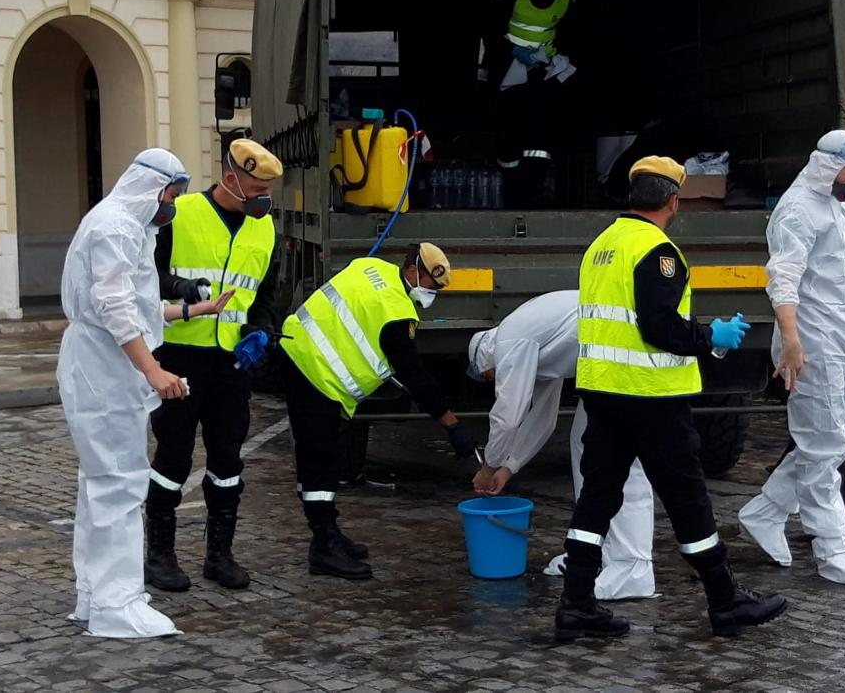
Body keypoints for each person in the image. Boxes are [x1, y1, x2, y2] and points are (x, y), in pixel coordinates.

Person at [555, 156, 786, 640]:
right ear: (673, 200)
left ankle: (576, 601)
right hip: (652, 398)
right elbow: (659, 326)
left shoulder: (602, 244)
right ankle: (724, 600)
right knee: (688, 501)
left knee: (596, 499)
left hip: (603, 392)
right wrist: (711, 336)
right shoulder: (658, 252)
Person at [57, 149, 231, 639]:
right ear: (149, 188)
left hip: (101, 365)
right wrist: (154, 370)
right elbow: (112, 307)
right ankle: (117, 604)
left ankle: (96, 596)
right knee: (119, 485)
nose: (171, 207)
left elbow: (135, 306)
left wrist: (195, 312)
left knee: (101, 486)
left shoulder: (125, 226)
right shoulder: (116, 227)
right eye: (170, 196)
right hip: (103, 369)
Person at [277, 243, 475, 580]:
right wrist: (452, 427)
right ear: (413, 270)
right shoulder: (396, 313)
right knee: (321, 463)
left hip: (296, 350)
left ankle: (328, 533)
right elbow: (416, 378)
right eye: (430, 284)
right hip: (316, 374)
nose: (431, 293)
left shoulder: (371, 266)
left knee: (324, 458)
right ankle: (323, 547)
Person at [738, 130, 845, 589]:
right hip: (813, 341)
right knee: (822, 445)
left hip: (843, 337)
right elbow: (782, 278)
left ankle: (765, 511)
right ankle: (831, 545)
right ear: (825, 165)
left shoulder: (840, 207)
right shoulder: (796, 211)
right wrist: (792, 339)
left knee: (838, 439)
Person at [144, 139, 283, 593]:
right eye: (257, 187)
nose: (265, 197)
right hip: (180, 355)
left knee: (228, 458)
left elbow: (263, 293)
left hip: (232, 363)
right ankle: (159, 555)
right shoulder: (179, 214)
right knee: (173, 456)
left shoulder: (266, 230)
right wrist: (181, 287)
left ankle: (219, 555)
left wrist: (260, 331)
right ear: (230, 179)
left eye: (268, 189)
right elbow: (145, 277)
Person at [465, 290, 657, 600]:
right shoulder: (535, 344)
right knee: (588, 444)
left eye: (488, 376)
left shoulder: (510, 340)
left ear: (485, 358)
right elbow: (543, 419)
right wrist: (509, 467)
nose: (492, 380)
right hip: (615, 356)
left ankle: (633, 569)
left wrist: (489, 466)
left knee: (620, 460)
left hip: (626, 356)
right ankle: (590, 556)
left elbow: (508, 415)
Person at [485, 0, 578, 208]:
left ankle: (533, 191)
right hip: (509, 72)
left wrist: (561, 61)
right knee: (509, 132)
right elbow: (490, 28)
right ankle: (512, 194)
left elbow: (573, 33)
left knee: (541, 135)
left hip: (543, 73)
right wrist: (511, 52)